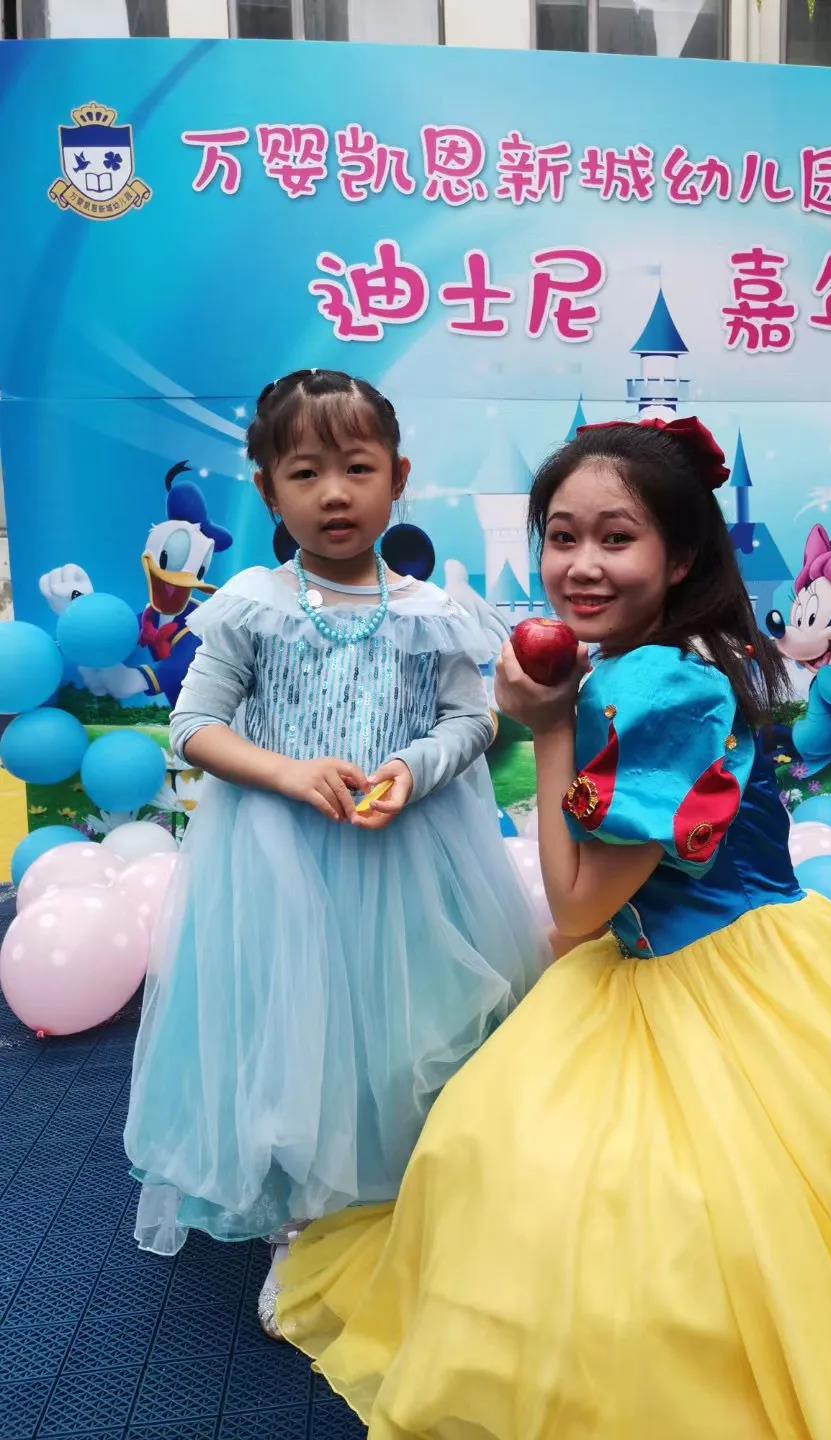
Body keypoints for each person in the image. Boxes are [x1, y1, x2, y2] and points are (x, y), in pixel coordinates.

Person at [276, 416, 831, 1436]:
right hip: (707, 959)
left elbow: (577, 908)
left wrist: (549, 725)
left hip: (721, 978)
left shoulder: (660, 689)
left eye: (617, 538)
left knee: (659, 1205)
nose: (581, 565)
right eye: (562, 537)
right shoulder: (655, 661)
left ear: (682, 554)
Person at [124, 369, 547, 1337]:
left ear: (399, 478)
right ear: (268, 491)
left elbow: (472, 722)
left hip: (411, 861)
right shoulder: (252, 604)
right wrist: (284, 771)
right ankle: (304, 1227)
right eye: (305, 473)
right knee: (293, 1042)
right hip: (278, 867)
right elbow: (194, 725)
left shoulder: (433, 610)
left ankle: (411, 1202)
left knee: (406, 1035)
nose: (334, 494)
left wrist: (411, 769)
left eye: (357, 468)